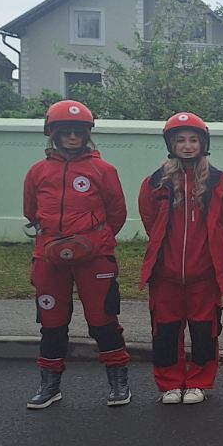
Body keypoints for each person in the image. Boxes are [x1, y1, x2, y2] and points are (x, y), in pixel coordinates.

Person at [22, 100, 132, 410]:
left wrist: (96, 239)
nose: (73, 137)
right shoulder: (38, 172)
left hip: (95, 256)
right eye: (66, 132)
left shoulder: (103, 170)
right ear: (53, 134)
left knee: (103, 319)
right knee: (52, 321)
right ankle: (50, 385)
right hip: (49, 256)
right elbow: (31, 210)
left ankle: (118, 381)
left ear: (87, 134)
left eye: (79, 132)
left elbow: (117, 212)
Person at [137, 112, 223, 404]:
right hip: (165, 275)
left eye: (194, 140)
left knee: (205, 332)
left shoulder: (219, 183)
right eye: (181, 140)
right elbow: (149, 220)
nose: (188, 145)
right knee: (165, 331)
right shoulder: (154, 182)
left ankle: (199, 381)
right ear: (171, 143)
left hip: (204, 275)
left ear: (203, 143)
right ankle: (170, 383)